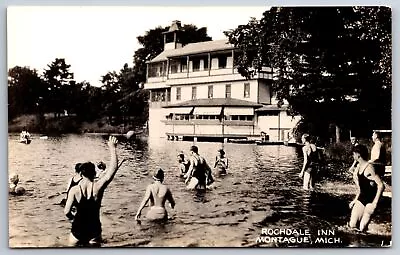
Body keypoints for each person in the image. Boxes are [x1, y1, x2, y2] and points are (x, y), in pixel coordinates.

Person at [64, 136, 119, 247]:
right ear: (94, 174)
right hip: (94, 229)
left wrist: (72, 219)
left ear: (81, 174)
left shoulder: (74, 190)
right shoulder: (98, 187)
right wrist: (112, 148)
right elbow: (112, 170)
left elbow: (66, 212)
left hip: (78, 229)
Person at [349, 144, 384, 232]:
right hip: (362, 199)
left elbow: (381, 185)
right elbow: (361, 189)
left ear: (358, 154)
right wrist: (355, 200)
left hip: (371, 201)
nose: (353, 156)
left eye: (353, 154)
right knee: (352, 225)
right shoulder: (358, 167)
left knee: (362, 229)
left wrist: (375, 203)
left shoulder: (369, 168)